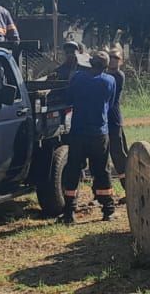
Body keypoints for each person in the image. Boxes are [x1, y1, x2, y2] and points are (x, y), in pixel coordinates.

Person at [59, 50, 117, 223]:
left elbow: (68, 99)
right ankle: (108, 210)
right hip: (99, 134)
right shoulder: (109, 81)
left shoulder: (78, 78)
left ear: (90, 63)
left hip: (78, 133)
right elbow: (111, 103)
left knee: (73, 170)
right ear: (105, 67)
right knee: (101, 170)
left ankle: (69, 213)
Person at [105, 49, 128, 178]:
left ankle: (128, 185)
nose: (113, 59)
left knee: (118, 153)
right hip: (105, 119)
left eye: (116, 57)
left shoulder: (118, 76)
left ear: (121, 61)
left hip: (114, 119)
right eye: (110, 57)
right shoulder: (106, 75)